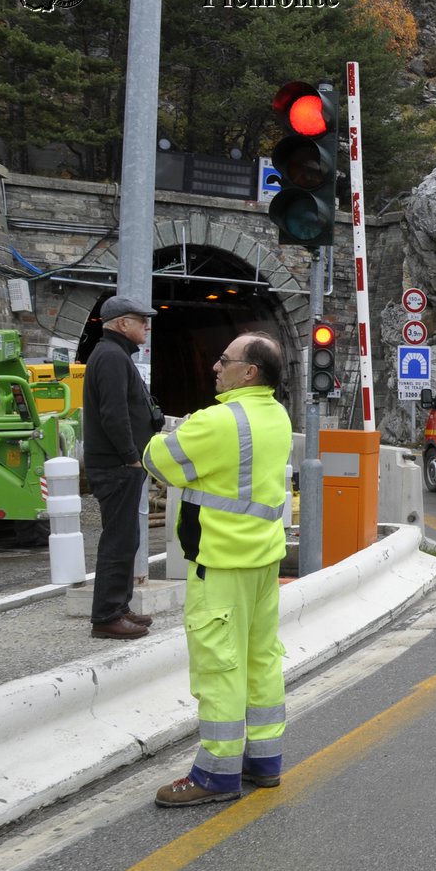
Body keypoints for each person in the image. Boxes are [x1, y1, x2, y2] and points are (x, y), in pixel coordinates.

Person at [142, 331, 292, 806]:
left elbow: (157, 461)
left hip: (221, 564)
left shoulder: (218, 421)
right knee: (260, 659)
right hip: (264, 561)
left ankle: (216, 773)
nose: (214, 366)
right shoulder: (277, 415)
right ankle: (264, 762)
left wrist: (171, 431)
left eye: (223, 360)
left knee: (219, 666)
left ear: (249, 372)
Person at [82, 294, 160, 640]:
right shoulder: (112, 357)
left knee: (126, 539)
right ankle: (107, 616)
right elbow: (113, 414)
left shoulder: (113, 355)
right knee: (118, 541)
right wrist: (131, 455)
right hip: (118, 467)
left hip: (119, 465)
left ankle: (119, 606)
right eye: (140, 319)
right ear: (121, 324)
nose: (147, 325)